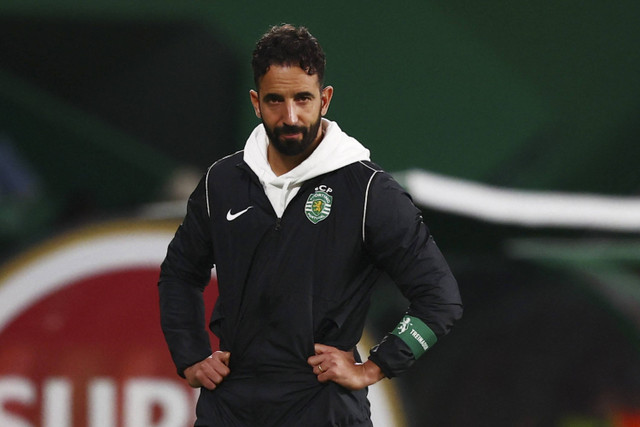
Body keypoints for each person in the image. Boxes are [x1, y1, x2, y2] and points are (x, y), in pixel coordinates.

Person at [158, 24, 463, 427]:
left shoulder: (369, 191)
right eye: (275, 100)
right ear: (255, 102)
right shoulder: (223, 182)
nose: (290, 116)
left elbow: (440, 298)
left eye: (303, 98)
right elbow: (179, 273)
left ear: (325, 98)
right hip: (230, 406)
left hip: (324, 408)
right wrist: (192, 356)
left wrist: (373, 368)